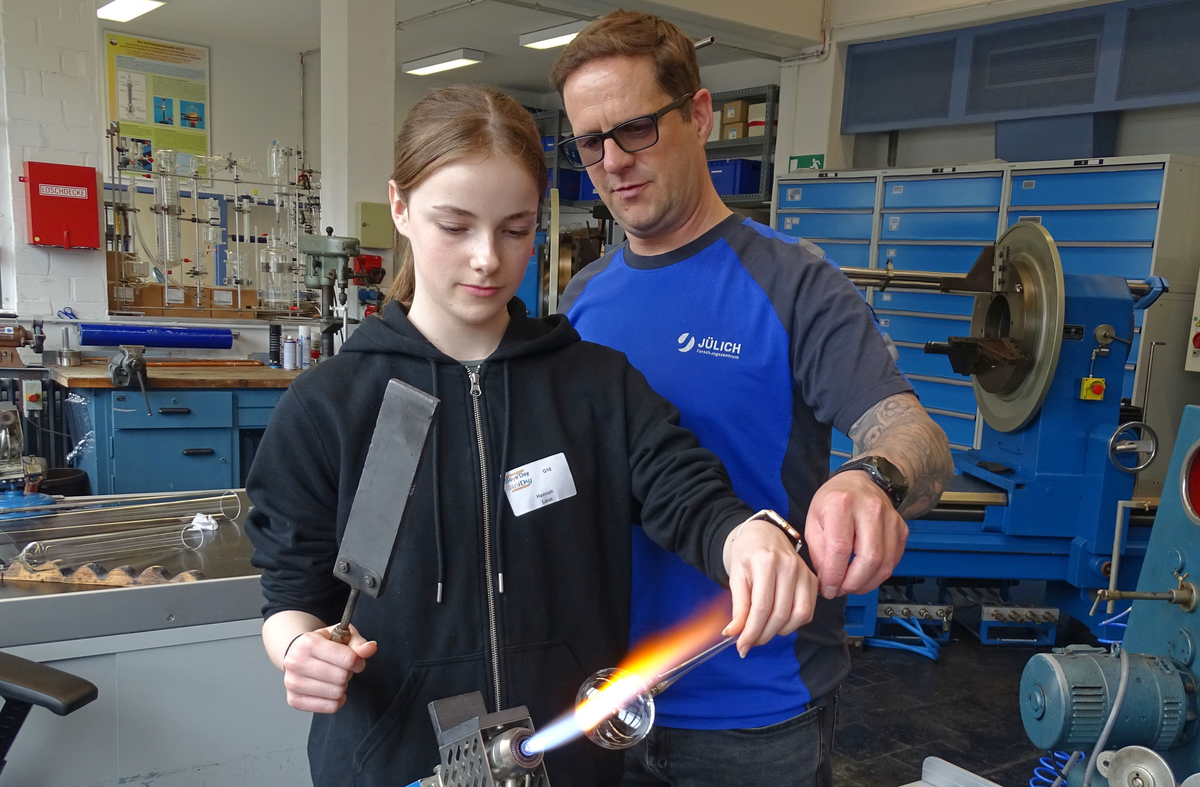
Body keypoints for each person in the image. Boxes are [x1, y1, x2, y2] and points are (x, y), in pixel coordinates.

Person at [244, 85, 818, 787]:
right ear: (399, 206)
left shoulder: (594, 386)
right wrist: (301, 648)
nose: (487, 257)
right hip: (393, 759)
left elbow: (684, 489)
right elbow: (290, 594)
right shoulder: (332, 405)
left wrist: (744, 536)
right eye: (454, 225)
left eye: (514, 229)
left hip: (564, 762)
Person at [552, 12, 956, 787]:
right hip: (606, 700)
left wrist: (873, 478)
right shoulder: (582, 301)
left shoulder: (794, 283)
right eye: (589, 143)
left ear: (699, 115)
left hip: (755, 712)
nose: (612, 163)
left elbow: (914, 434)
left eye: (635, 130)